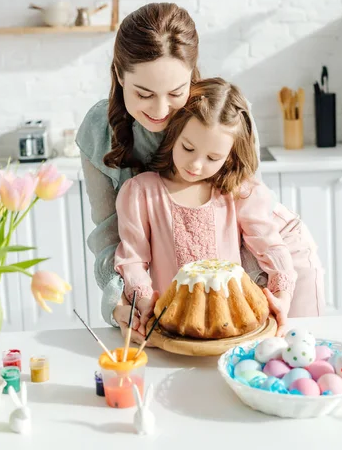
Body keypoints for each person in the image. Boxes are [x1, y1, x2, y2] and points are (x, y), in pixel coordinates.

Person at [76, 3, 264, 344]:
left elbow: (251, 223)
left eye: (176, 93)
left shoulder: (221, 116)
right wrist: (121, 302)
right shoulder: (96, 130)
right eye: (143, 94)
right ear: (119, 74)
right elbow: (108, 237)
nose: (160, 110)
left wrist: (259, 292)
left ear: (192, 75)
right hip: (160, 315)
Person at [114, 78, 325, 338]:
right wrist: (143, 300)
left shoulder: (239, 193)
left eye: (213, 158)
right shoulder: (140, 193)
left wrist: (281, 296)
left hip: (231, 328)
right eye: (188, 148)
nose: (196, 165)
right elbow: (133, 258)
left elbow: (271, 248)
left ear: (230, 156)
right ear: (174, 134)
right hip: (172, 325)